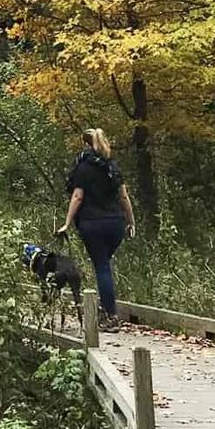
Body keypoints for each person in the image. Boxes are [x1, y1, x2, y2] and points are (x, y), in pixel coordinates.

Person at [59, 127, 135, 332]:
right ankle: (104, 307)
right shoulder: (113, 167)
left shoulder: (83, 168)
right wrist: (131, 222)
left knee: (101, 266)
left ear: (86, 144)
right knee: (104, 264)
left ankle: (110, 315)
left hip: (93, 224)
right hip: (116, 224)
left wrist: (67, 222)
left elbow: (77, 197)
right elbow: (123, 197)